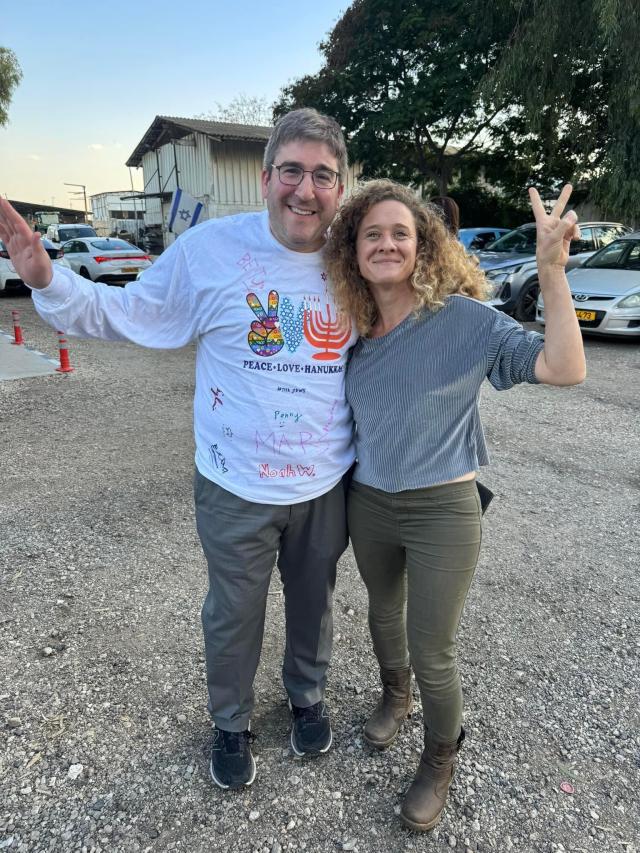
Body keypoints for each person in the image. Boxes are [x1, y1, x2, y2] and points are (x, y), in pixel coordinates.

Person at [0, 108, 357, 791]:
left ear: (341, 186)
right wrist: (48, 279)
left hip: (324, 481)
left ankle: (307, 693)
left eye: (322, 175)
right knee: (233, 610)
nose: (304, 190)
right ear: (264, 178)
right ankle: (230, 719)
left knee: (315, 600)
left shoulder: (355, 256)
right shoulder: (211, 252)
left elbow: (418, 314)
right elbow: (129, 313)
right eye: (291, 171)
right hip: (234, 482)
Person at [324, 179, 585, 831]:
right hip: (370, 500)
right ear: (353, 251)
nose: (386, 244)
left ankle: (440, 758)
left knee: (431, 645)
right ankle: (395, 695)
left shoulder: (464, 320)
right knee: (383, 613)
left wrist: (551, 272)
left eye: (400, 233)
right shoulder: (347, 330)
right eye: (372, 234)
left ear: (424, 245)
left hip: (444, 507)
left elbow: (563, 366)